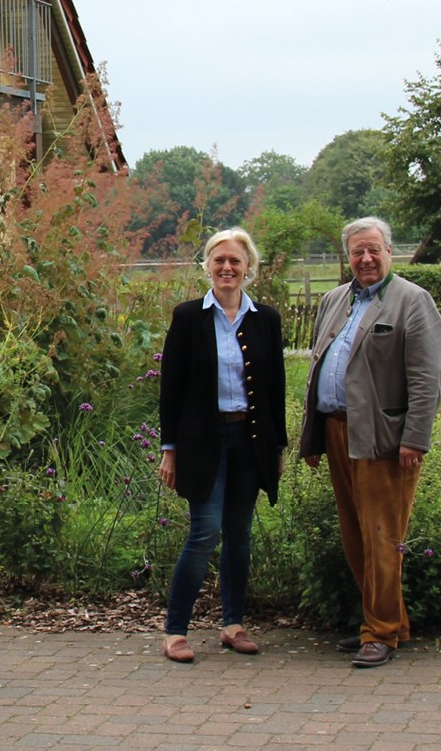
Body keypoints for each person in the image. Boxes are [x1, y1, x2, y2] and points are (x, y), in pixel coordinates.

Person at [298, 216, 441, 669]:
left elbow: (427, 378)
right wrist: (314, 437)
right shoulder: (334, 300)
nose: (365, 259)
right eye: (357, 252)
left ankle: (379, 632)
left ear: (389, 251)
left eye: (373, 250)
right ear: (348, 256)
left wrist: (414, 439)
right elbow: (321, 365)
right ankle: (388, 623)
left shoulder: (413, 302)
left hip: (385, 439)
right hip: (338, 431)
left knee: (383, 537)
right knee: (355, 536)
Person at [157, 229, 286, 663]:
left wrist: (278, 447)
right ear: (208, 267)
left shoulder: (264, 319)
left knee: (239, 534)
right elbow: (170, 389)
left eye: (235, 260)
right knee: (204, 531)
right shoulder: (189, 316)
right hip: (202, 443)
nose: (227, 268)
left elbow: (275, 389)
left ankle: (233, 624)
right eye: (219, 261)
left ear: (248, 267)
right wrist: (169, 449)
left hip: (249, 442)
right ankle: (176, 630)